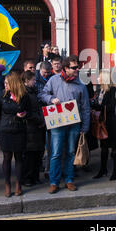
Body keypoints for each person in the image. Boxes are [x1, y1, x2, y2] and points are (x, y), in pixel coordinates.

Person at [39, 55, 90, 193]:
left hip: (74, 124)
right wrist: (51, 99)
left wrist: (85, 127)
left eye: (77, 67)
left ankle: (69, 180)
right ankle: (54, 182)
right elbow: (42, 94)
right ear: (66, 68)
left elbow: (85, 107)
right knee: (55, 153)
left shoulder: (81, 84)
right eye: (73, 68)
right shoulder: (54, 80)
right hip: (57, 122)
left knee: (70, 152)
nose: (76, 70)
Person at [0, 73, 30, 197]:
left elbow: (30, 111)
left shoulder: (24, 95)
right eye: (5, 83)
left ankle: (18, 184)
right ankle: (7, 184)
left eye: (7, 83)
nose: (5, 85)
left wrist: (25, 114)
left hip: (19, 129)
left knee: (19, 157)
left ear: (13, 83)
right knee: (7, 157)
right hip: (5, 129)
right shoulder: (2, 96)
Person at [91, 70, 116, 180]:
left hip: (113, 123)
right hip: (103, 123)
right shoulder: (101, 90)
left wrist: (99, 106)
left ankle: (115, 171)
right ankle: (103, 169)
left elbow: (112, 106)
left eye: (100, 77)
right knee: (103, 148)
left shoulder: (113, 90)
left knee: (115, 148)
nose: (98, 79)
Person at [21, 71, 46, 186]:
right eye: (33, 80)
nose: (35, 82)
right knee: (30, 156)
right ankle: (28, 178)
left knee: (37, 154)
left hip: (36, 128)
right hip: (30, 128)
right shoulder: (25, 94)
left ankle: (34, 177)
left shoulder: (33, 92)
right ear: (26, 81)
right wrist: (40, 120)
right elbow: (27, 112)